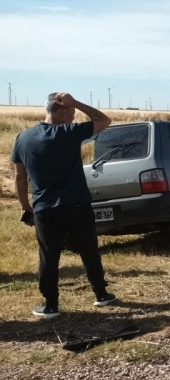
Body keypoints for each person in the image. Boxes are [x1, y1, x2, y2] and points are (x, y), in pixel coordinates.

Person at [10, 92, 118, 319]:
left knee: (48, 256)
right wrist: (76, 101)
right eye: (72, 112)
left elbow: (20, 178)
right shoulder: (69, 133)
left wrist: (25, 207)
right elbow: (104, 121)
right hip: (77, 203)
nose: (73, 117)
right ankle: (101, 294)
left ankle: (50, 305)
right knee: (89, 250)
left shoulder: (23, 138)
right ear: (64, 110)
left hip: (45, 208)